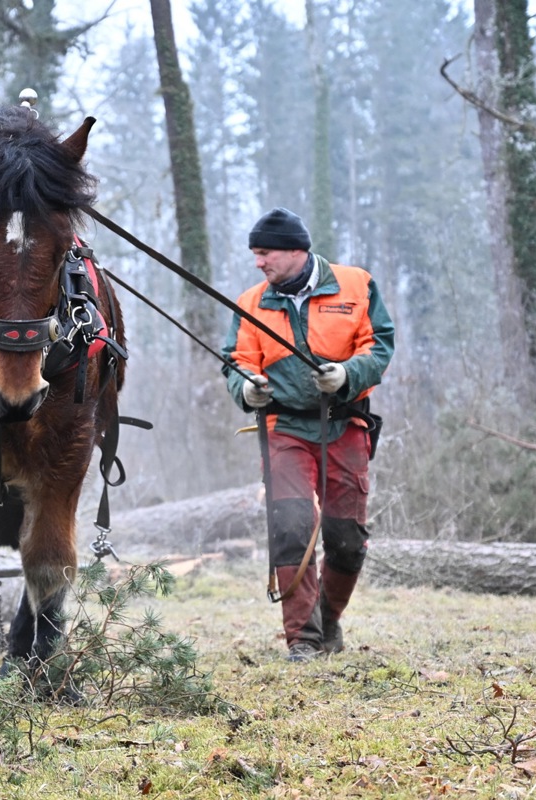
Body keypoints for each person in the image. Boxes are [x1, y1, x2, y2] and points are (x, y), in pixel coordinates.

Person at [221, 207, 395, 662]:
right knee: (291, 528)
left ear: (296, 251)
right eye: (255, 255)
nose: (258, 262)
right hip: (284, 428)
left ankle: (328, 619)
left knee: (346, 540)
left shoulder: (357, 285)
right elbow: (236, 359)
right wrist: (247, 388)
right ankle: (303, 639)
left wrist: (348, 375)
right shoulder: (252, 301)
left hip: (345, 424)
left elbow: (379, 343)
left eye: (265, 253)